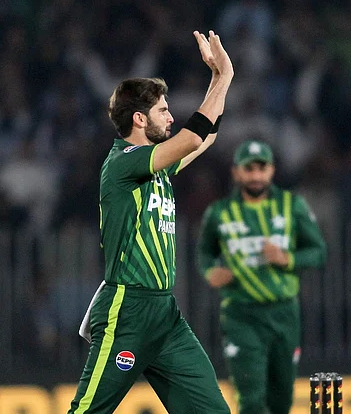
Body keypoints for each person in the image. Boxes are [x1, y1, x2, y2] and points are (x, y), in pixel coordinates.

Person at [69, 30, 233, 414]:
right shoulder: (124, 162)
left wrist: (217, 80)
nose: (171, 116)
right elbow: (192, 137)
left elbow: (204, 137)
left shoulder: (157, 165)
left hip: (163, 313)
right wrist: (224, 77)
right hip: (127, 308)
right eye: (163, 110)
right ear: (139, 118)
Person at [196, 140, 327, 414]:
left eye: (261, 168)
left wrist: (287, 259)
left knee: (281, 399)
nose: (255, 175)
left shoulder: (293, 206)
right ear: (236, 173)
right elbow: (204, 255)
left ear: (272, 171)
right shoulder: (219, 213)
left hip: (284, 313)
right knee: (252, 399)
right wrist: (211, 273)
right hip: (241, 314)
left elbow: (318, 252)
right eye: (249, 168)